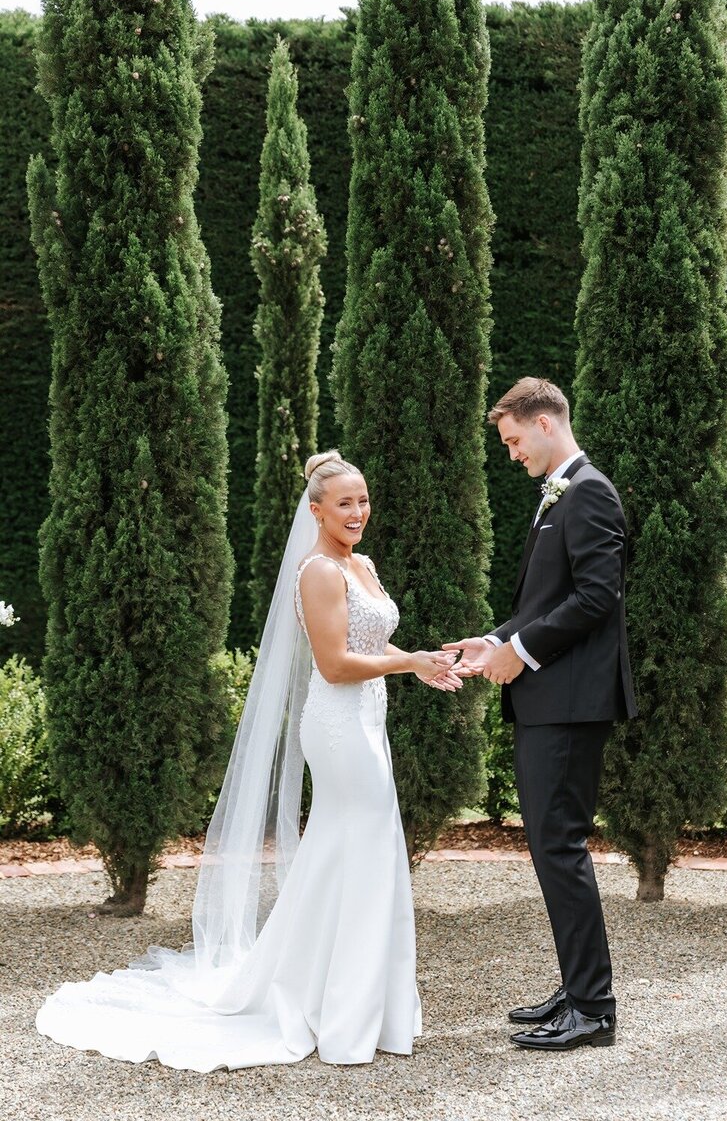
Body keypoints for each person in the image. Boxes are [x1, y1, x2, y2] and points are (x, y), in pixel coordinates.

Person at [36, 451, 459, 1071]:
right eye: (344, 503)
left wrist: (419, 662)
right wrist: (409, 663)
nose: (358, 512)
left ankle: (360, 1002)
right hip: (339, 726)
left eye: (363, 500)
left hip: (369, 722)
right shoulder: (318, 570)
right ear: (314, 510)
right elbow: (335, 663)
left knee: (353, 853)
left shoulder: (361, 564)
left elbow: (369, 640)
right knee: (364, 849)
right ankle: (343, 1015)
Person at [446, 377, 636, 1052]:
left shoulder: (589, 492)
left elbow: (595, 598)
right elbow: (547, 600)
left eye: (514, 439)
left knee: (559, 846)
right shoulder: (563, 495)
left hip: (570, 704)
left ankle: (593, 1007)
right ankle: (577, 987)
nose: (511, 453)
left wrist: (521, 651)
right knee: (553, 847)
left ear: (547, 423)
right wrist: (496, 641)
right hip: (551, 700)